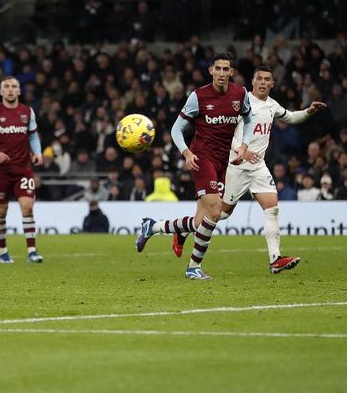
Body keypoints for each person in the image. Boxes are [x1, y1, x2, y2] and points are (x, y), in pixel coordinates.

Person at [172, 65, 326, 273]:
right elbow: (227, 133)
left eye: (267, 79)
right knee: (218, 215)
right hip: (236, 166)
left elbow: (290, 117)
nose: (263, 83)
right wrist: (240, 151)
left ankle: (275, 259)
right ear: (252, 82)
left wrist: (308, 111)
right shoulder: (240, 103)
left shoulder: (272, 105)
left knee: (272, 207)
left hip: (258, 166)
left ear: (272, 83)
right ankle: (182, 229)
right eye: (259, 79)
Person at [135, 52, 256, 280]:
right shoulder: (198, 97)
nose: (221, 73)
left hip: (222, 161)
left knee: (202, 222)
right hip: (202, 158)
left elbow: (249, 120)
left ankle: (153, 227)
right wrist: (187, 153)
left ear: (232, 72)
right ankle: (193, 267)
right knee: (216, 211)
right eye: (217, 69)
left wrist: (244, 145)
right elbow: (176, 129)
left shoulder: (240, 94)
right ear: (210, 70)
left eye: (225, 69)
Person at [0, 76, 44, 264]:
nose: (10, 89)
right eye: (6, 86)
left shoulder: (27, 112)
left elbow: (33, 136)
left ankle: (32, 251)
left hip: (23, 169)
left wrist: (37, 153)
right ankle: (2, 251)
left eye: (14, 86)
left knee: (27, 208)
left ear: (19, 91)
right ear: (1, 91)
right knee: (1, 211)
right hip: (1, 171)